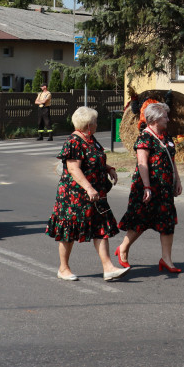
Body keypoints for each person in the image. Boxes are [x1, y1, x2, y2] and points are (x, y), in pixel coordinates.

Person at [45, 106, 128, 281]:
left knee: (101, 227)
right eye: (95, 122)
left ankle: (108, 267)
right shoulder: (74, 141)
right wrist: (89, 188)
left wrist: (108, 168)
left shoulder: (90, 139)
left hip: (96, 194)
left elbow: (94, 159)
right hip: (75, 194)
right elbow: (73, 168)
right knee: (69, 230)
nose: (97, 124)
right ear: (88, 124)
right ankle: (63, 268)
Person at [116, 102, 184, 273]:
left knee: (167, 222)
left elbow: (172, 160)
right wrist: (147, 187)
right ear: (154, 120)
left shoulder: (166, 136)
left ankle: (166, 259)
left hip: (165, 187)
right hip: (147, 188)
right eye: (165, 117)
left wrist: (178, 180)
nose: (168, 119)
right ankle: (123, 248)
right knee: (140, 221)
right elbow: (142, 163)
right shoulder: (144, 138)